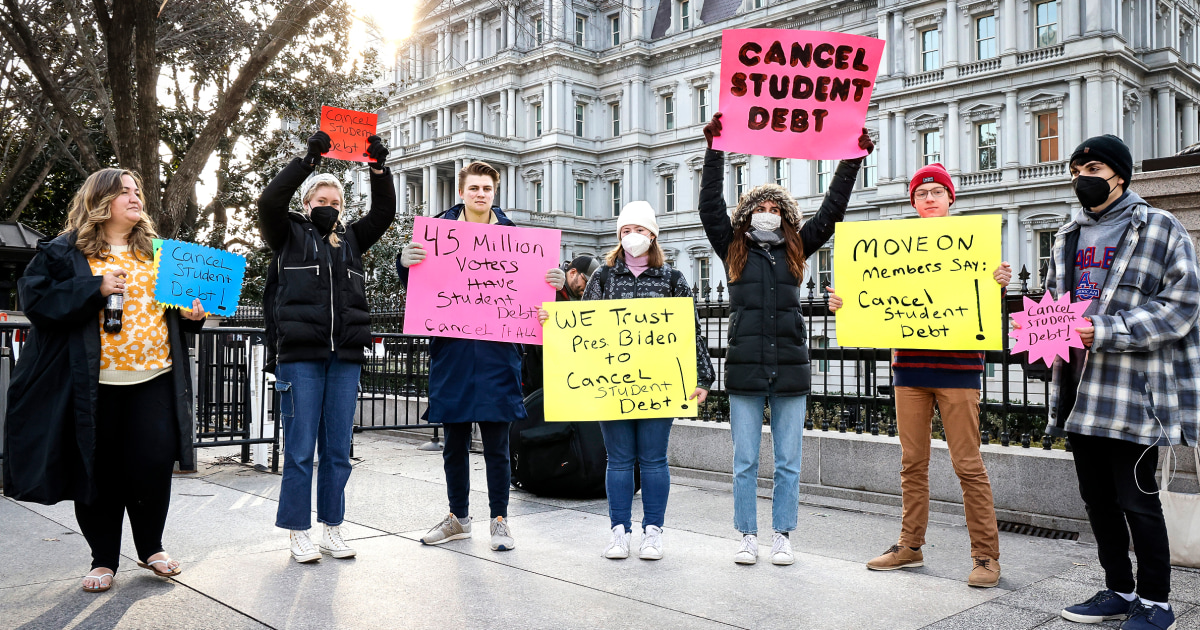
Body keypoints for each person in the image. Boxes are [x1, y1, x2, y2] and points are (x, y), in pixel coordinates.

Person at [3, 168, 206, 593]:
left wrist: (193, 317)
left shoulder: (160, 253)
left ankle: (152, 548)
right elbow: (37, 303)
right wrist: (94, 287)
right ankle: (103, 560)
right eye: (124, 192)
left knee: (152, 465)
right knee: (98, 471)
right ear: (101, 200)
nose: (136, 198)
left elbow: (180, 313)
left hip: (154, 378)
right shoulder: (64, 252)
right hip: (93, 385)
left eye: (138, 191)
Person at [698, 113, 874, 565]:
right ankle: (746, 535)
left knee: (789, 462)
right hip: (745, 366)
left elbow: (832, 210)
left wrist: (852, 158)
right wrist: (715, 147)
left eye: (777, 209)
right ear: (749, 213)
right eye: (762, 207)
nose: (769, 214)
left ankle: (782, 534)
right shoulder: (731, 246)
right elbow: (710, 208)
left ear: (786, 216)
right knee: (745, 462)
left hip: (791, 366)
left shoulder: (798, 246)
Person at [827, 162, 1012, 587]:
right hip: (908, 369)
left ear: (951, 198)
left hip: (960, 371)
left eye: (936, 192)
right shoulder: (896, 245)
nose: (929, 198)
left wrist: (999, 282)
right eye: (921, 193)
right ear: (913, 202)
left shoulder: (972, 245)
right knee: (912, 463)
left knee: (968, 464)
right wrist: (844, 304)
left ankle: (986, 556)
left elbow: (982, 303)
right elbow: (870, 297)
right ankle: (909, 546)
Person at [1041, 135, 1198, 630]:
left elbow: (1182, 305)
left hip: (1134, 393)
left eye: (1090, 166)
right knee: (1097, 499)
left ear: (1118, 174)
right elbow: (1052, 304)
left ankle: (1156, 602)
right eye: (1074, 169)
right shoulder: (1067, 235)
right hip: (1079, 392)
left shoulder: (1160, 227)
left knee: (1137, 498)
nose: (1080, 177)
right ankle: (1118, 588)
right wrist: (1036, 334)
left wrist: (1107, 330)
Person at [397, 161, 566, 552]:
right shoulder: (435, 233)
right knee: (453, 443)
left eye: (487, 189)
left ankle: (500, 521)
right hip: (452, 352)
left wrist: (554, 287)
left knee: (497, 445)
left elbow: (536, 301)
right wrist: (403, 264)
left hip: (497, 353)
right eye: (474, 188)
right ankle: (459, 517)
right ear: (461, 192)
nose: (480, 194)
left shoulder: (516, 239)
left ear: (495, 192)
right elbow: (418, 288)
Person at [539, 201, 716, 561]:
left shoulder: (672, 278)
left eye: (639, 230)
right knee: (618, 460)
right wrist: (553, 320)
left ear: (652, 235)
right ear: (619, 236)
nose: (632, 236)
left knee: (653, 459)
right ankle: (619, 531)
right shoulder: (603, 277)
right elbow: (582, 324)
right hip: (612, 384)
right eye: (625, 231)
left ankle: (653, 531)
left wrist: (703, 377)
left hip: (659, 385)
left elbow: (691, 331)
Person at [258, 130, 395, 563]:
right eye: (321, 201)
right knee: (299, 450)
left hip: (345, 359)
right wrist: (308, 161)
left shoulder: (352, 240)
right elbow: (267, 202)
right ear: (306, 205)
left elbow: (384, 213)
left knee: (338, 450)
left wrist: (378, 170)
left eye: (335, 202)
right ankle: (298, 530)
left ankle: (332, 527)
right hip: (300, 358)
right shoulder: (287, 236)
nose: (328, 207)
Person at [522, 254, 601, 395]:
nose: (589, 287)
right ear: (572, 273)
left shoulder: (585, 297)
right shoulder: (550, 287)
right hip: (538, 369)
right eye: (587, 282)